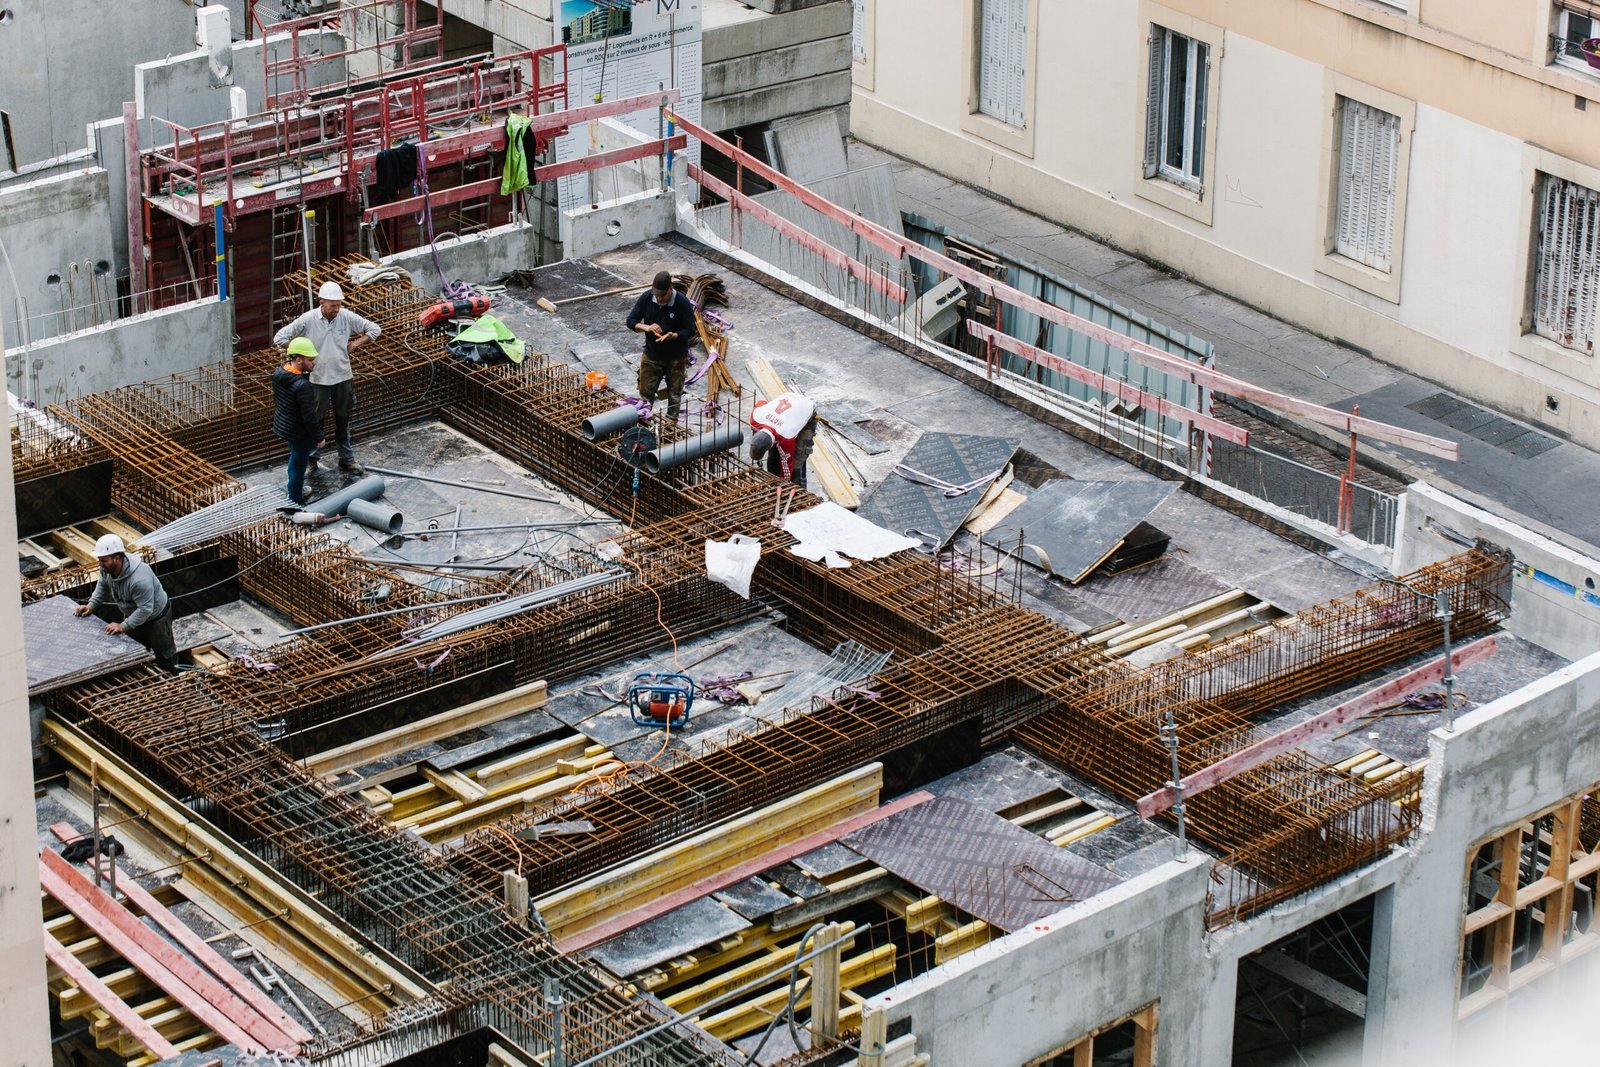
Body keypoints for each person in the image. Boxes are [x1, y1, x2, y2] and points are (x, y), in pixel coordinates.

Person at [273, 281, 381, 473]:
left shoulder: (345, 316)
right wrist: (300, 350)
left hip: (342, 376)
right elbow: (279, 337)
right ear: (321, 302)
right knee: (316, 420)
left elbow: (374, 329)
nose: (336, 309)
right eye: (332, 305)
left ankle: (346, 458)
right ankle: (312, 459)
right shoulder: (308, 320)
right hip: (318, 380)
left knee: (343, 420)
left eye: (339, 304)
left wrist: (355, 344)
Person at [74, 534, 178, 672]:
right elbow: (102, 587)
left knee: (164, 654)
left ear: (117, 558)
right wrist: (91, 605)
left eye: (103, 560)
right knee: (134, 651)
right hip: (132, 614)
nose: (100, 564)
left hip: (156, 618)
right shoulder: (106, 569)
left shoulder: (139, 579)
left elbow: (146, 609)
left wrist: (123, 626)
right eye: (100, 560)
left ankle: (175, 677)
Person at [625, 270, 696, 422]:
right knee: (645, 394)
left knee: (675, 394)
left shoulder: (682, 303)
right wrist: (647, 327)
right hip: (652, 355)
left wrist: (674, 335)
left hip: (676, 358)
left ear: (670, 288)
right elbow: (631, 321)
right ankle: (644, 422)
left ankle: (671, 426)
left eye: (662, 295)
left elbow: (690, 331)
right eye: (656, 294)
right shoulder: (647, 297)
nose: (659, 298)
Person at [272, 338, 325, 506]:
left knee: (294, 459)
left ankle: (294, 489)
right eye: (310, 360)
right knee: (298, 465)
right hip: (298, 431)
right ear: (298, 360)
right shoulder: (303, 386)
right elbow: (309, 416)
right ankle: (295, 498)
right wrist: (318, 437)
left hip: (285, 426)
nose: (313, 363)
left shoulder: (279, 374)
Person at [749, 390, 817, 486]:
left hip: (805, 408)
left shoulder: (786, 436)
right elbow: (761, 402)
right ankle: (774, 483)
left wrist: (784, 485)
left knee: (796, 465)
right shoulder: (756, 417)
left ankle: (799, 490)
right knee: (774, 458)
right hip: (787, 402)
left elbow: (787, 465)